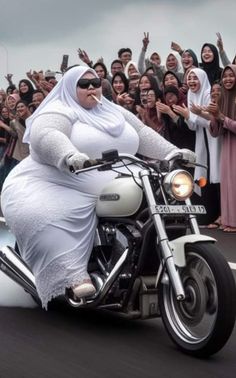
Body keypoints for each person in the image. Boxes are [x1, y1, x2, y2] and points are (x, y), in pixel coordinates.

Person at [1, 66, 195, 309]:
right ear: (72, 88)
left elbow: (143, 133)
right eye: (84, 84)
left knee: (160, 191)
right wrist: (69, 155)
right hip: (59, 179)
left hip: (121, 175)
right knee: (57, 213)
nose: (91, 88)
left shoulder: (113, 111)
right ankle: (73, 274)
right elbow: (46, 135)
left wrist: (172, 152)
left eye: (95, 82)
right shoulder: (59, 109)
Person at [173, 68, 221, 225]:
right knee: (204, 178)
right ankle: (209, 216)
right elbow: (194, 127)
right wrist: (188, 117)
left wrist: (191, 116)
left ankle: (219, 215)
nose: (192, 81)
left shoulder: (208, 94)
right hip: (202, 142)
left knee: (215, 178)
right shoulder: (191, 96)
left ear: (202, 78)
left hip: (214, 141)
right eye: (189, 78)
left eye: (195, 78)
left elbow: (211, 123)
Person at [207, 65, 236, 232]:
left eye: (231, 76)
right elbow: (216, 133)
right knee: (228, 184)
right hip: (227, 146)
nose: (228, 79)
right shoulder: (222, 99)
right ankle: (229, 220)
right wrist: (214, 116)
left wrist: (221, 117)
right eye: (225, 76)